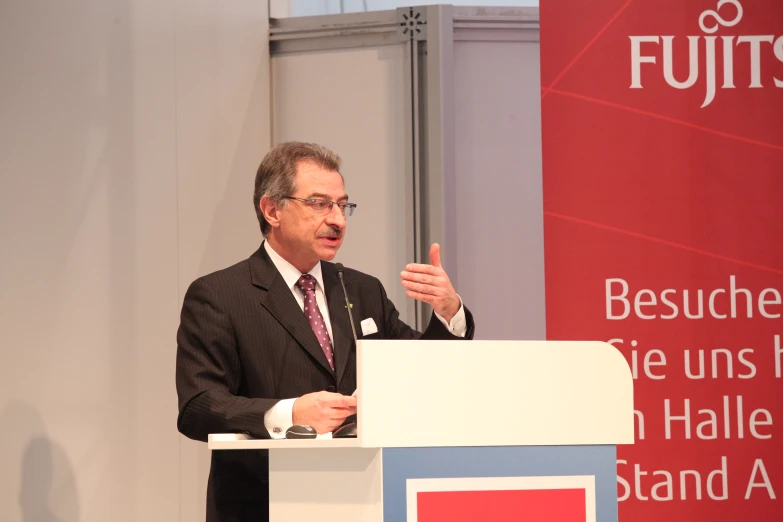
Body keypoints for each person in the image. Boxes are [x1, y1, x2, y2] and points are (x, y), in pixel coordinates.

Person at [175, 141, 475, 522]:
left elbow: (418, 373)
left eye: (342, 205)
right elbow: (199, 406)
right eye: (319, 203)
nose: (338, 219)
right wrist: (289, 412)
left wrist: (449, 313)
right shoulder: (221, 294)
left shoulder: (360, 289)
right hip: (262, 505)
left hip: (365, 500)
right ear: (272, 210)